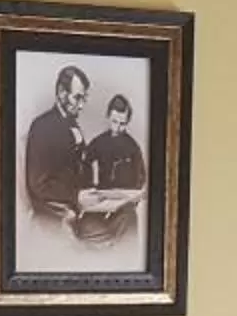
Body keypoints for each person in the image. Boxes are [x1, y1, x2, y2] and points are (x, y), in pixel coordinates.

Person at [73, 93, 147, 249]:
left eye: (122, 123)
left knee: (128, 231)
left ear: (127, 122)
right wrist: (90, 188)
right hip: (100, 203)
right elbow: (83, 164)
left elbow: (141, 178)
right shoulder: (99, 142)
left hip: (124, 208)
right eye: (114, 121)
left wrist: (133, 197)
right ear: (108, 117)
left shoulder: (133, 147)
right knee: (84, 230)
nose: (118, 128)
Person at [22, 65, 89, 228]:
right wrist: (76, 196)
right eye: (77, 98)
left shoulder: (73, 125)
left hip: (76, 207)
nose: (81, 106)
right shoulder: (42, 126)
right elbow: (38, 185)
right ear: (61, 93)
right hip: (53, 214)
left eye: (84, 99)